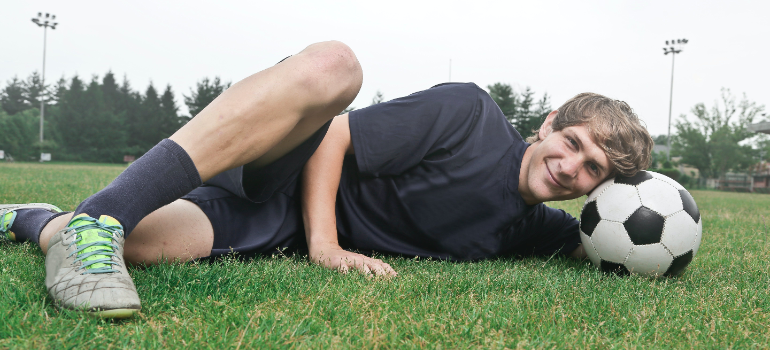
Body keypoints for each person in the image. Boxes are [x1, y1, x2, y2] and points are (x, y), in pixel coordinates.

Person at [0, 41, 653, 319]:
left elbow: (611, 243)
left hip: (271, 225)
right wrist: (326, 245)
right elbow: (335, 132)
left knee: (142, 249)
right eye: (571, 142)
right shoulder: (471, 114)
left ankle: (27, 216)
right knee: (335, 66)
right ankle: (103, 213)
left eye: (592, 168)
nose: (570, 166)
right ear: (547, 124)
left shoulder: (531, 227)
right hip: (285, 168)